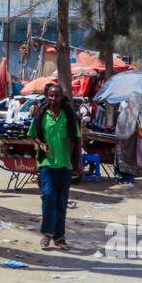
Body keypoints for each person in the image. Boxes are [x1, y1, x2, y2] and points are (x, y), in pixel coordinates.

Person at [27, 82, 83, 251]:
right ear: (47, 96)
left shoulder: (69, 115)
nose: (53, 98)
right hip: (46, 163)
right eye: (50, 95)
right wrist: (41, 144)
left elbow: (76, 140)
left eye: (56, 95)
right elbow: (33, 135)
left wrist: (78, 163)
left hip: (65, 165)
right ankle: (46, 234)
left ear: (61, 96)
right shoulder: (42, 115)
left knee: (61, 201)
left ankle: (59, 237)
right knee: (49, 195)